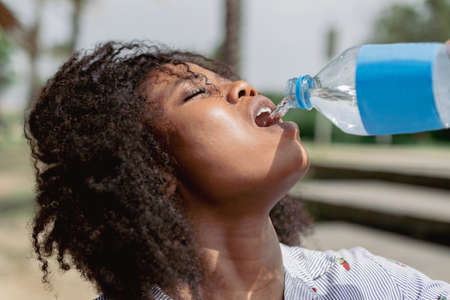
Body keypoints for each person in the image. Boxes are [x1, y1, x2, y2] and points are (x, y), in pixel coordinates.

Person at [24, 41, 450, 300]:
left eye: (227, 80)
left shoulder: (366, 286)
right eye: (195, 94)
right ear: (153, 171)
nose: (243, 86)